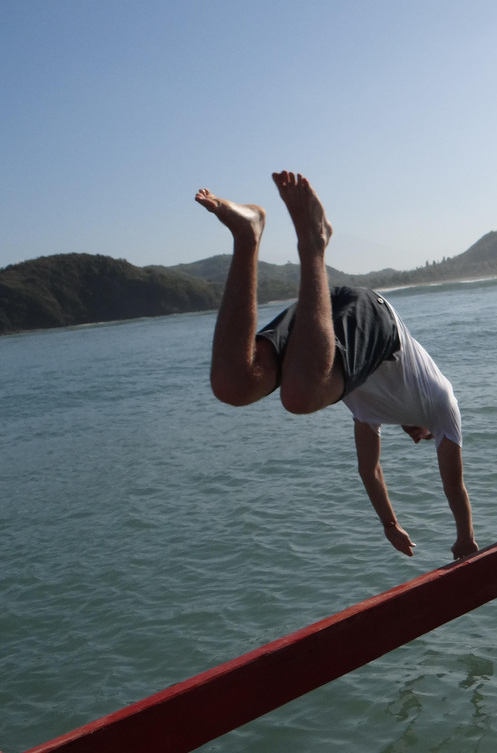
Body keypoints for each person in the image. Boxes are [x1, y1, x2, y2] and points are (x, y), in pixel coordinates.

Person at [195, 171, 478, 560]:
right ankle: (314, 244)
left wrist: (389, 524)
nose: (418, 437)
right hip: (379, 322)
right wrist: (465, 537)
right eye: (426, 438)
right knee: (299, 396)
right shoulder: (441, 403)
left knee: (234, 383)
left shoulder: (370, 415)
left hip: (324, 310)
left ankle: (247, 235)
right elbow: (454, 484)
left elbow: (370, 470)